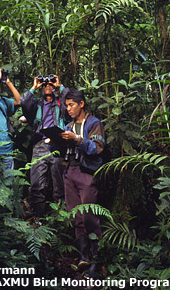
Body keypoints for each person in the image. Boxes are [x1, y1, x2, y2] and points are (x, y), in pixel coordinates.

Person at [60, 89, 106, 279]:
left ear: (81, 104)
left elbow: (97, 148)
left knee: (90, 217)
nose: (68, 108)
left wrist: (77, 139)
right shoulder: (68, 125)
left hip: (87, 172)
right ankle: (83, 256)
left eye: (72, 105)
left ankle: (97, 261)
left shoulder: (93, 123)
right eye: (67, 105)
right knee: (77, 216)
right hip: (70, 171)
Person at [20, 75, 69, 217]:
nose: (48, 86)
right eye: (45, 84)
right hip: (40, 144)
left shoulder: (61, 104)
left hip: (58, 144)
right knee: (36, 184)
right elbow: (24, 103)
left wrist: (60, 86)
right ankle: (39, 217)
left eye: (50, 84)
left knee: (59, 183)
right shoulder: (36, 104)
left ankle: (60, 218)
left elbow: (71, 104)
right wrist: (34, 87)